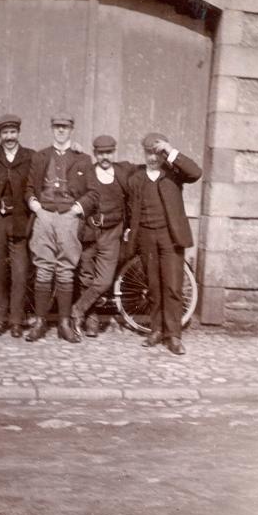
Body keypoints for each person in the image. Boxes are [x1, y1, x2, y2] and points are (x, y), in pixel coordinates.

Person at [25, 112, 99, 343]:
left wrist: (78, 208)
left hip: (68, 216)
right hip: (44, 215)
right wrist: (35, 206)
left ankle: (64, 323)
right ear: (51, 128)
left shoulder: (83, 159)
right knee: (44, 268)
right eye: (57, 126)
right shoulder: (40, 157)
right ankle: (39, 321)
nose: (60, 131)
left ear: (71, 129)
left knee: (66, 269)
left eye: (65, 127)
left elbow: (93, 193)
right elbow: (28, 188)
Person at [126, 132, 202, 355]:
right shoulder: (136, 177)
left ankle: (174, 336)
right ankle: (156, 330)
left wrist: (170, 151)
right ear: (144, 152)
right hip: (147, 238)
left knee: (172, 286)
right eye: (149, 153)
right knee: (153, 286)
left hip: (170, 238)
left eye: (157, 153)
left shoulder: (174, 173)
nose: (152, 158)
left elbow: (196, 172)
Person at [71, 135, 136, 337]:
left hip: (112, 231)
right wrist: (76, 152)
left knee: (104, 280)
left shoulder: (123, 171)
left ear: (114, 152)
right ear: (95, 154)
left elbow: (144, 173)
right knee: (86, 276)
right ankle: (91, 319)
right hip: (90, 230)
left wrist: (129, 226)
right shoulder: (88, 172)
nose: (105, 157)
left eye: (108, 152)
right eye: (100, 153)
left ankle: (77, 310)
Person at [0, 114, 33, 338]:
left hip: (20, 221)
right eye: (5, 133)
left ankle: (16, 320)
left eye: (13, 132)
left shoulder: (30, 156)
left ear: (18, 133)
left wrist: (78, 149)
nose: (9, 137)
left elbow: (53, 160)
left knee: (20, 273)